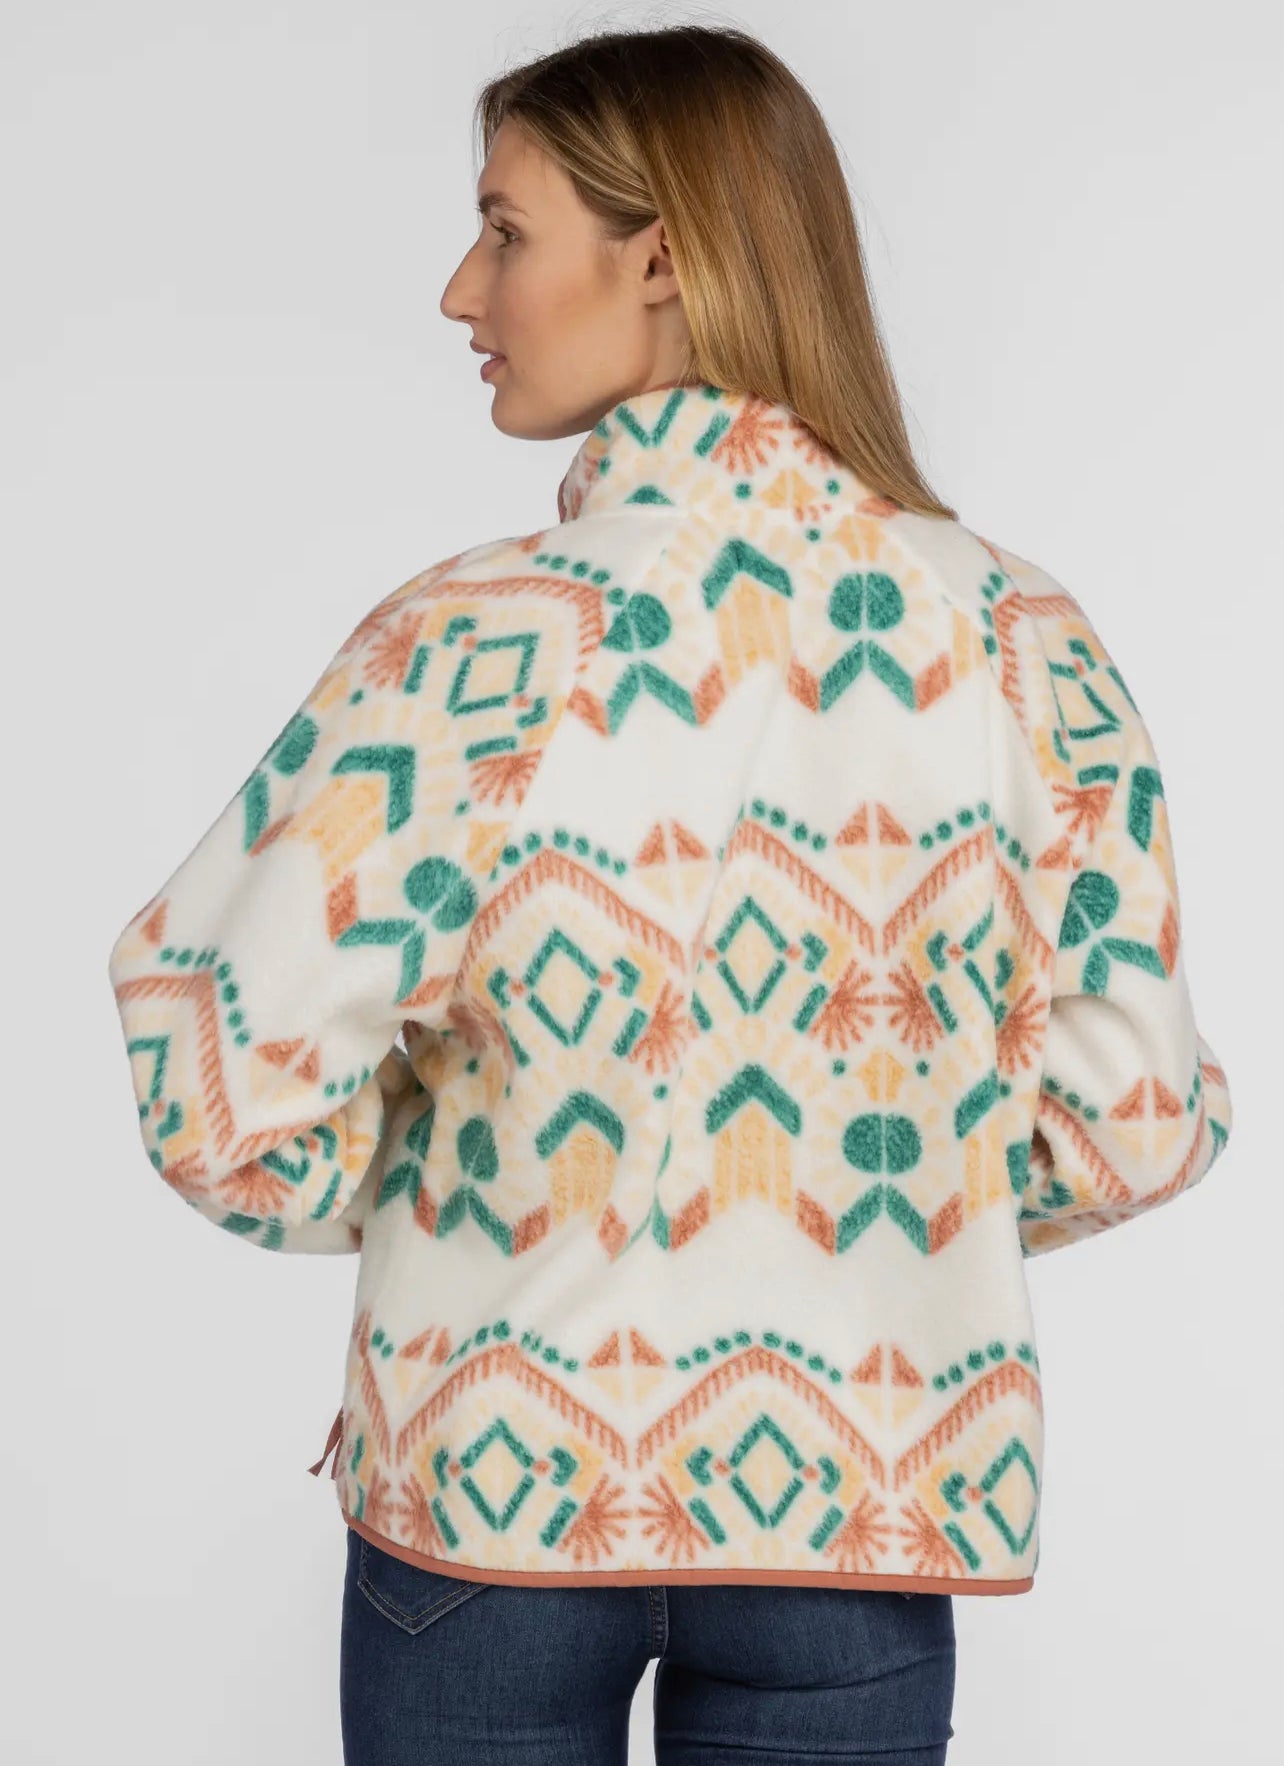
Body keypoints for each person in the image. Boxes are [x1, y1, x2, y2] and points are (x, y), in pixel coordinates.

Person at [105, 24, 1233, 1766]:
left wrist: (466, 1186)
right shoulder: (1016, 639)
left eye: (504, 230)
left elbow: (214, 1070)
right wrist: (876, 1196)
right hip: (855, 1506)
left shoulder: (475, 642)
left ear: (663, 259)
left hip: (492, 1494)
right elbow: (1132, 1121)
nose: (459, 289)